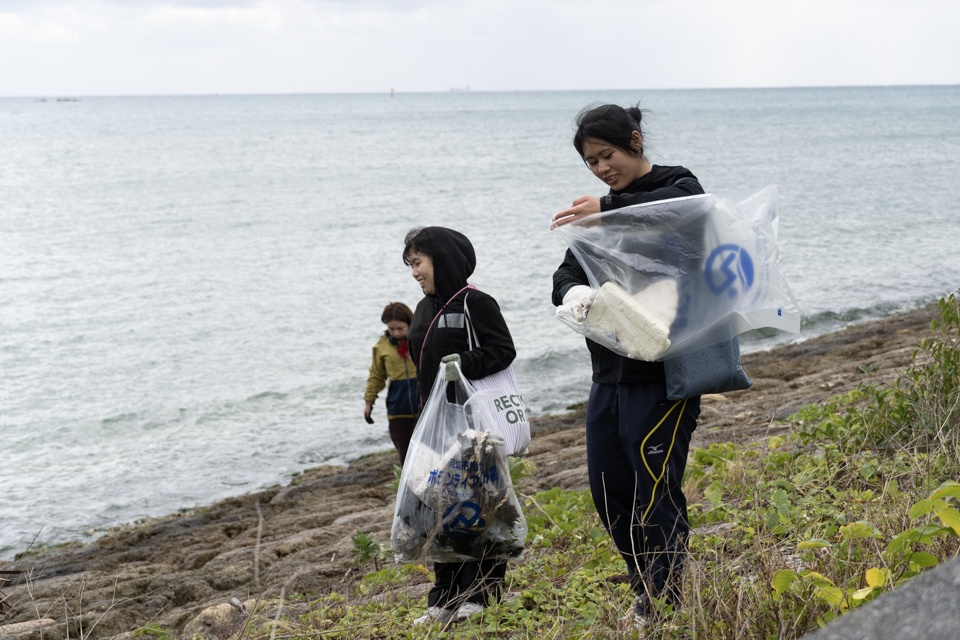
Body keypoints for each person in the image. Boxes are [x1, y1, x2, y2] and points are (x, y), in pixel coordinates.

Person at [550, 103, 704, 624]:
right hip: (610, 369)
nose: (600, 168)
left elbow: (684, 210)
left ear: (636, 141)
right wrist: (573, 294)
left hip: (665, 369)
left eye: (606, 154)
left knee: (654, 485)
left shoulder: (678, 185)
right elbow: (566, 270)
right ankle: (646, 586)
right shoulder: (603, 209)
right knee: (608, 486)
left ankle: (665, 599)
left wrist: (609, 208)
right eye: (591, 162)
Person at [403, 226, 517, 626]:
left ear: (443, 258)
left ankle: (482, 596)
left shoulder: (475, 302)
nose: (414, 272)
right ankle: (443, 597)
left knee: (478, 510)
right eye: (410, 265)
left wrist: (461, 363)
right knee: (436, 511)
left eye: (418, 262)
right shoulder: (422, 309)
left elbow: (503, 351)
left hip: (473, 426)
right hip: (434, 427)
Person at [363, 302, 419, 466]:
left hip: (423, 406)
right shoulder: (381, 347)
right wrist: (369, 402)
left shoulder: (421, 340)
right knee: (405, 457)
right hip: (397, 410)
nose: (395, 333)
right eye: (391, 329)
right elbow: (376, 375)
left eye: (400, 328)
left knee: (426, 453)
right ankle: (409, 490)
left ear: (410, 323)